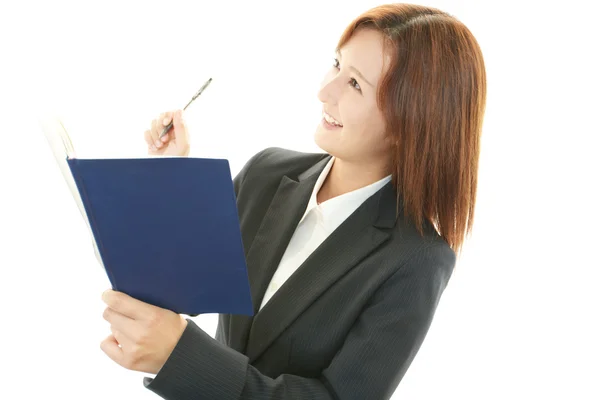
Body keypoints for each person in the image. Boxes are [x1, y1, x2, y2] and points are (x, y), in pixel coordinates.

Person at [101, 3, 486, 399]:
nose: (324, 91)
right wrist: (172, 179)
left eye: (355, 84)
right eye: (336, 65)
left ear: (413, 121)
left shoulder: (416, 258)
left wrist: (182, 357)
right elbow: (184, 286)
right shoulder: (267, 173)